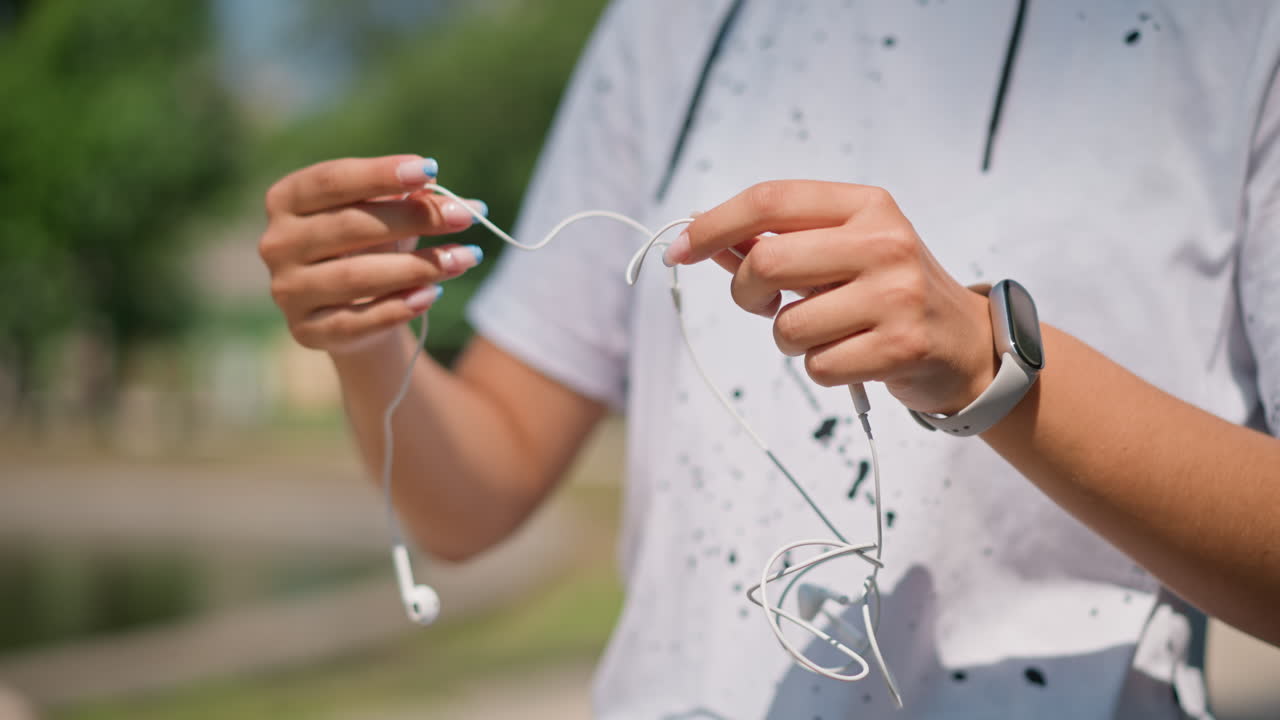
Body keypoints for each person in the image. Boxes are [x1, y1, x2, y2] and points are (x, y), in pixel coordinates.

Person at [257, 1, 1280, 717]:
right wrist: (368, 332)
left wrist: (984, 363)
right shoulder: (670, 25)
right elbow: (471, 498)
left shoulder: (1236, 30)